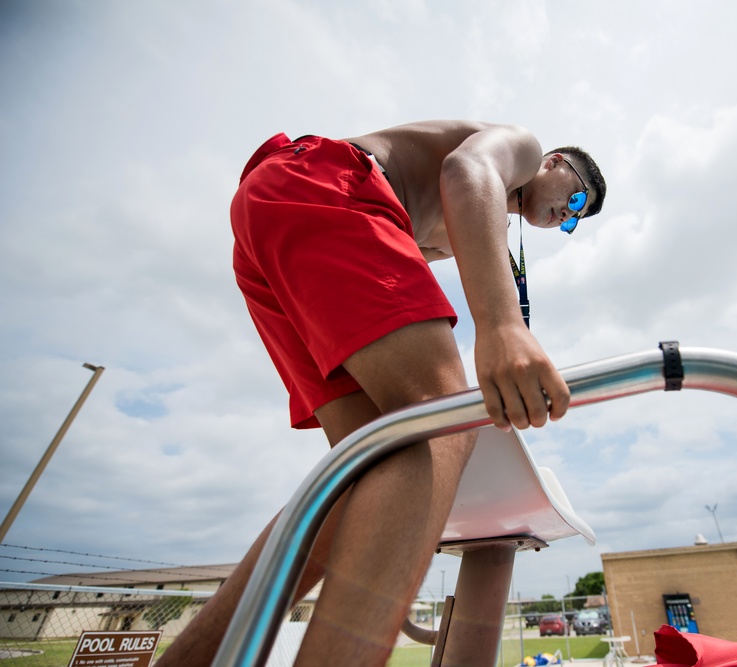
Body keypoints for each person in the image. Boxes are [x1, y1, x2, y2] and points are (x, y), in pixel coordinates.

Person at [157, 120, 606, 667]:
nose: (568, 214)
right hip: (328, 186)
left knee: (359, 479)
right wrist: (501, 325)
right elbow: (467, 170)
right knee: (438, 419)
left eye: (574, 221)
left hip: (271, 217)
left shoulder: (453, 229)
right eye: (575, 197)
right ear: (556, 162)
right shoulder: (520, 147)